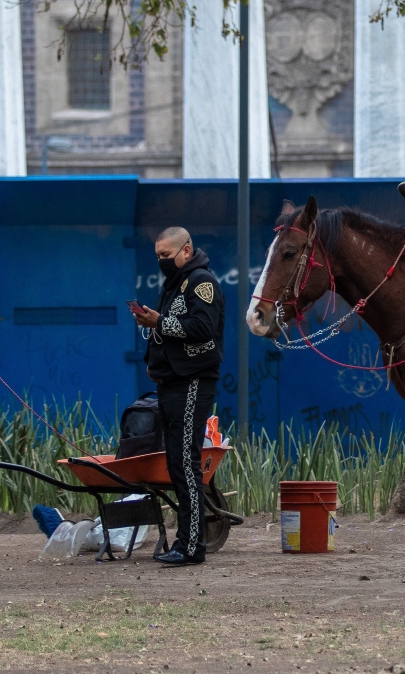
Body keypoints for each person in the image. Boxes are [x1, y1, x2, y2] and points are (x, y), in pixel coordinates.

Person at [130, 227, 225, 566]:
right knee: (175, 463)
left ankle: (191, 547)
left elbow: (202, 327)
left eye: (166, 256)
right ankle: (185, 542)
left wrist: (160, 321)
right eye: (157, 257)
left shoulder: (202, 282)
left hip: (193, 381)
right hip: (170, 382)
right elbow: (167, 330)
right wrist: (152, 357)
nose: (161, 262)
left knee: (186, 462)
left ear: (186, 250)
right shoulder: (174, 284)